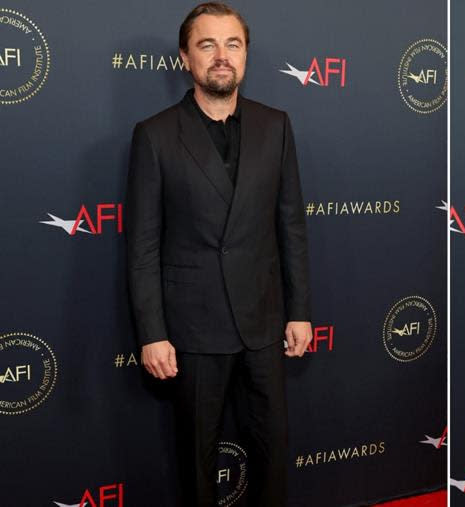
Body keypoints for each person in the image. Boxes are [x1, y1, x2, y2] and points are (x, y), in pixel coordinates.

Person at [125, 3, 313, 505]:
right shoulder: (156, 135)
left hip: (263, 321)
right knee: (196, 456)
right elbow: (142, 245)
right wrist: (153, 333)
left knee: (272, 449)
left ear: (246, 55)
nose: (221, 56)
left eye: (233, 44)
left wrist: (299, 312)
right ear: (186, 57)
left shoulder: (276, 126)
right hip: (193, 325)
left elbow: (290, 225)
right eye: (207, 45)